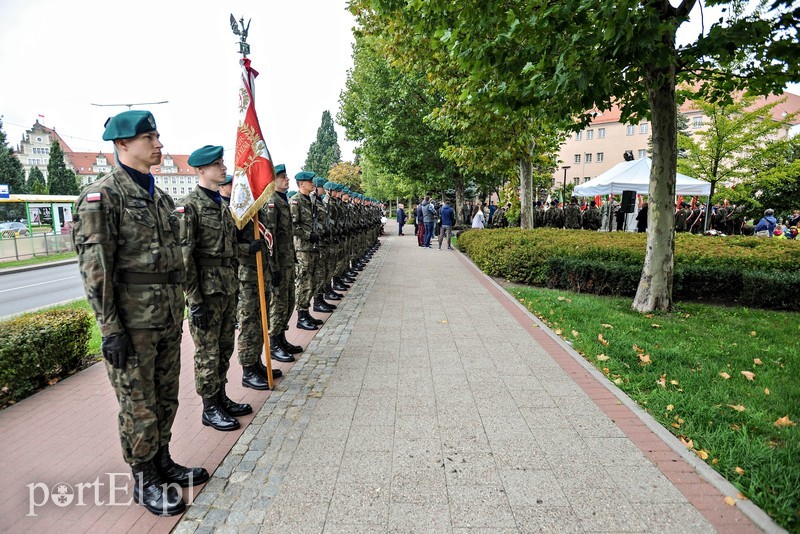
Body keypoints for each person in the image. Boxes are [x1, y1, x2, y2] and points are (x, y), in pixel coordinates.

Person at [72, 110, 207, 516]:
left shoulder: (160, 197)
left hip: (165, 317)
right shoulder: (102, 196)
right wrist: (109, 327)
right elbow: (96, 269)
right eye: (150, 138)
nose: (159, 144)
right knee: (138, 403)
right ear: (123, 144)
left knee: (166, 396)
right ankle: (144, 477)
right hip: (131, 324)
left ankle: (162, 460)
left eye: (158, 136)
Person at [180, 145, 251, 433]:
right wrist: (194, 300)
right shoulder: (190, 206)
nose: (223, 168)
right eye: (217, 164)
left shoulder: (223, 206)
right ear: (201, 170)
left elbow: (229, 248)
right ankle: (210, 408)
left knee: (224, 347)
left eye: (222, 163)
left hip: (227, 288)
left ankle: (220, 397)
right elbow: (185, 258)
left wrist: (248, 247)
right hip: (206, 294)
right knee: (207, 352)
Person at [265, 164, 304, 359]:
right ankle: (274, 343)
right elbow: (270, 237)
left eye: (286, 176)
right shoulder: (271, 202)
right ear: (272, 180)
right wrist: (273, 267)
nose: (286, 179)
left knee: (288, 302)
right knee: (278, 304)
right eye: (282, 177)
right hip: (279, 263)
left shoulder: (283, 201)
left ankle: (281, 338)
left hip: (288, 260)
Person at [291, 171, 324, 330]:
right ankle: (301, 316)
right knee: (303, 282)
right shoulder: (295, 202)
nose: (313, 184)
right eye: (309, 182)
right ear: (301, 184)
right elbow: (293, 226)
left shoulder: (310, 200)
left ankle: (306, 312)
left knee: (311, 281)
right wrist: (308, 235)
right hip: (302, 249)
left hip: (312, 247)